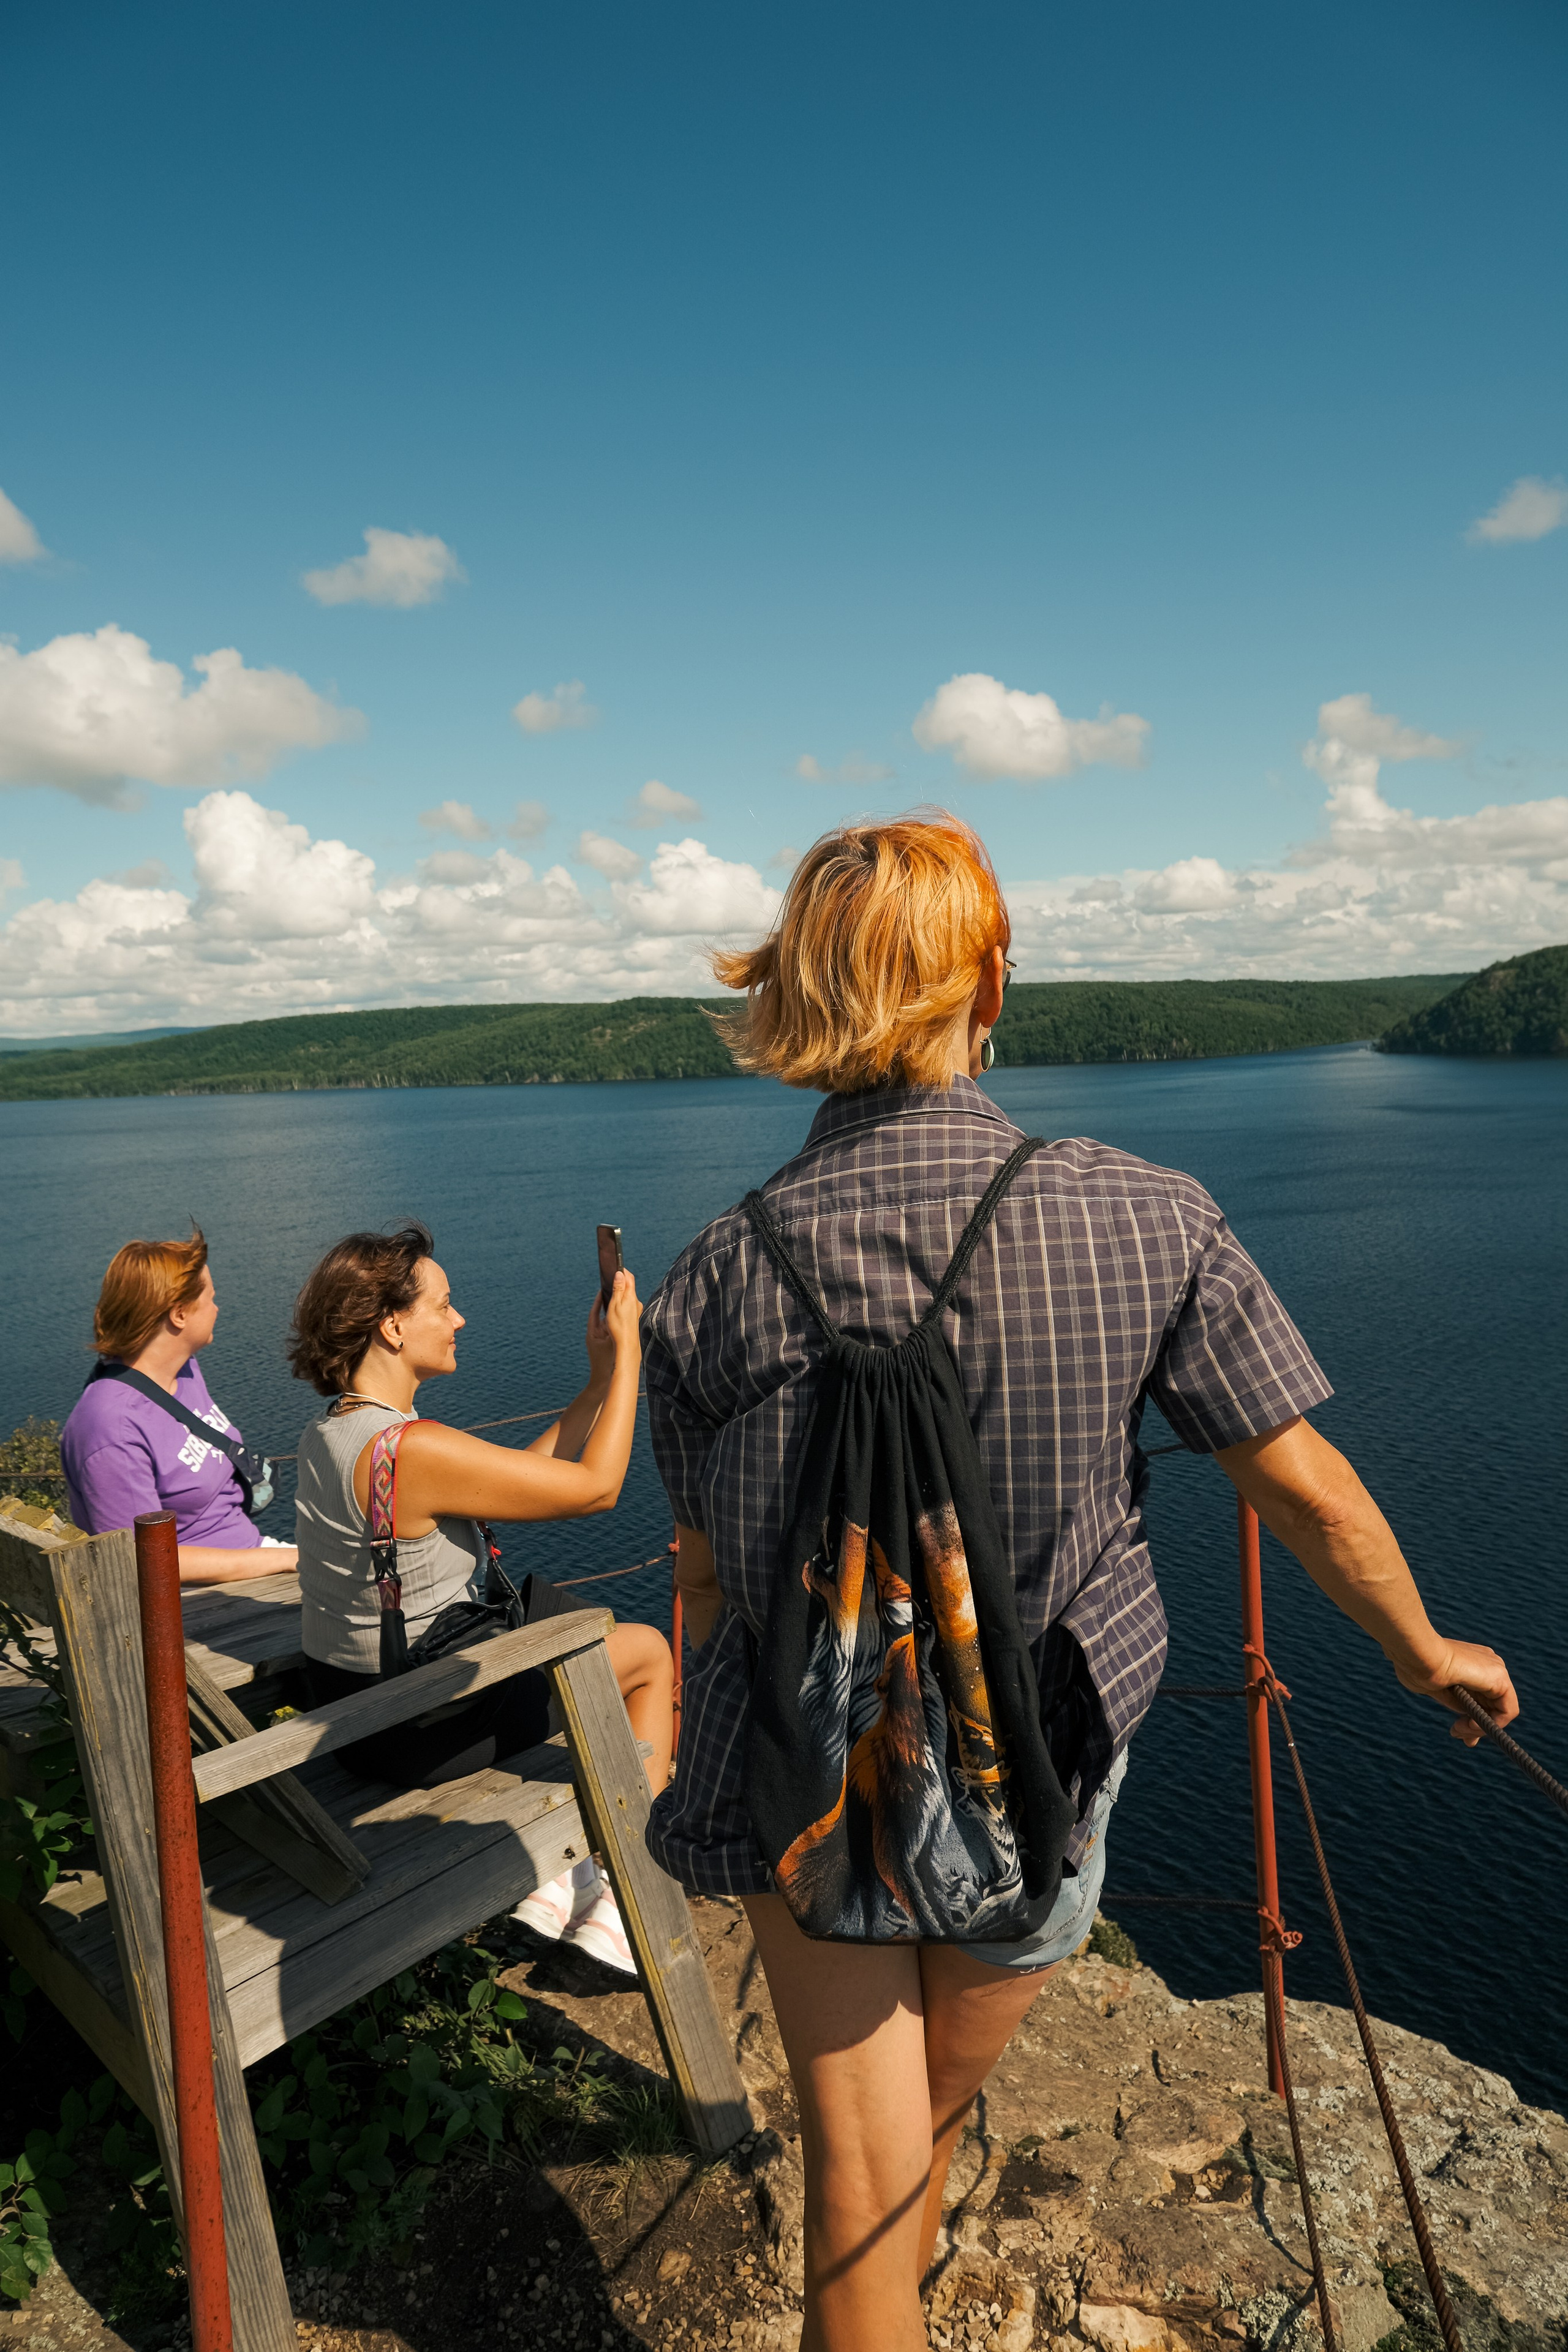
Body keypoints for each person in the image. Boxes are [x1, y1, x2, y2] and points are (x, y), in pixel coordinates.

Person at [639, 812, 1520, 2352]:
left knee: (859, 2155)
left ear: (797, 995)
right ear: (991, 981)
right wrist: (1416, 1644)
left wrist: (709, 1734)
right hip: (1036, 1752)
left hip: (803, 1771)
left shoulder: (713, 1270)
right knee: (924, 2115)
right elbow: (1298, 1488)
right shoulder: (1142, 1212)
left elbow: (706, 1572)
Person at [287, 1222, 673, 1975]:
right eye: (444, 1304)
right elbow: (597, 1489)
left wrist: (592, 1386)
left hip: (361, 1716)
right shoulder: (415, 1447)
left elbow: (501, 1487)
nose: (459, 1319)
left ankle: (574, 1878)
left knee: (586, 1635)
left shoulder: (337, 1433)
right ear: (393, 1326)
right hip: (426, 1728)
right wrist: (628, 1358)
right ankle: (622, 1890)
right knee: (651, 1655)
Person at [59, 1227, 296, 1585]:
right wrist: (284, 1560)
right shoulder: (110, 1428)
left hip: (248, 1555)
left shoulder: (181, 1369)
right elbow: (145, 1563)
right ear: (179, 1315)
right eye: (211, 1298)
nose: (217, 1308)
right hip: (191, 1600)